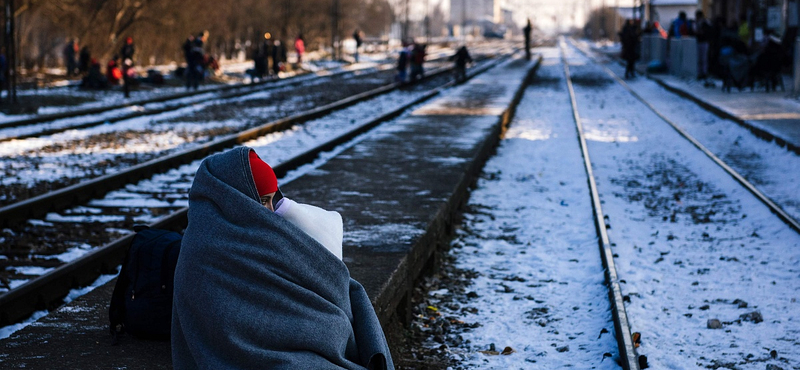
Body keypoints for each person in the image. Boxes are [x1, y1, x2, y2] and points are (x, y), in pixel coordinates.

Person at [172, 147, 394, 369]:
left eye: (272, 200)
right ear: (235, 198)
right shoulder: (206, 247)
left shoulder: (249, 230)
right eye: (261, 201)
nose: (270, 211)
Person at [694, 10, 713, 80]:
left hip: (704, 42)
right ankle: (700, 73)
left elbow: (706, 32)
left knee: (703, 58)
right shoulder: (697, 23)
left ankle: (704, 73)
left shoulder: (704, 23)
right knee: (700, 59)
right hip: (700, 42)